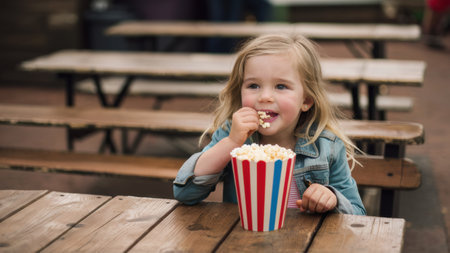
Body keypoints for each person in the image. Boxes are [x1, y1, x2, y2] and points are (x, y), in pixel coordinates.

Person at [173, 33, 366, 215]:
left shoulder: (327, 145)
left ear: (306, 100)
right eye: (253, 86)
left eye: (281, 86)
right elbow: (185, 193)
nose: (264, 97)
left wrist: (332, 199)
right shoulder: (233, 136)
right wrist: (231, 143)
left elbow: (358, 212)